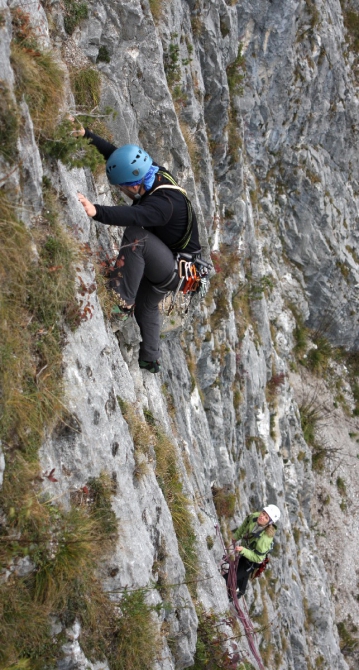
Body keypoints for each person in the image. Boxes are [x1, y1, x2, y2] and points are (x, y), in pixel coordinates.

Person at [75, 125, 201, 373]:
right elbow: (118, 158)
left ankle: (118, 306)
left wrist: (96, 211)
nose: (120, 190)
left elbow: (133, 216)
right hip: (180, 265)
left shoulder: (163, 205)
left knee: (136, 238)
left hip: (174, 268)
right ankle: (150, 359)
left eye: (121, 186)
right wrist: (86, 135)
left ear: (133, 186)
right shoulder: (153, 173)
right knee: (146, 306)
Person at [226, 504, 280, 599]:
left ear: (269, 522)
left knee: (230, 577)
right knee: (238, 572)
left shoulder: (265, 538)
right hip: (245, 550)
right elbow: (244, 526)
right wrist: (235, 537)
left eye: (266, 517)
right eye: (263, 513)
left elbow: (258, 558)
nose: (262, 517)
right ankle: (239, 588)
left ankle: (239, 592)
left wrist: (243, 551)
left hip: (252, 560)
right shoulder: (254, 517)